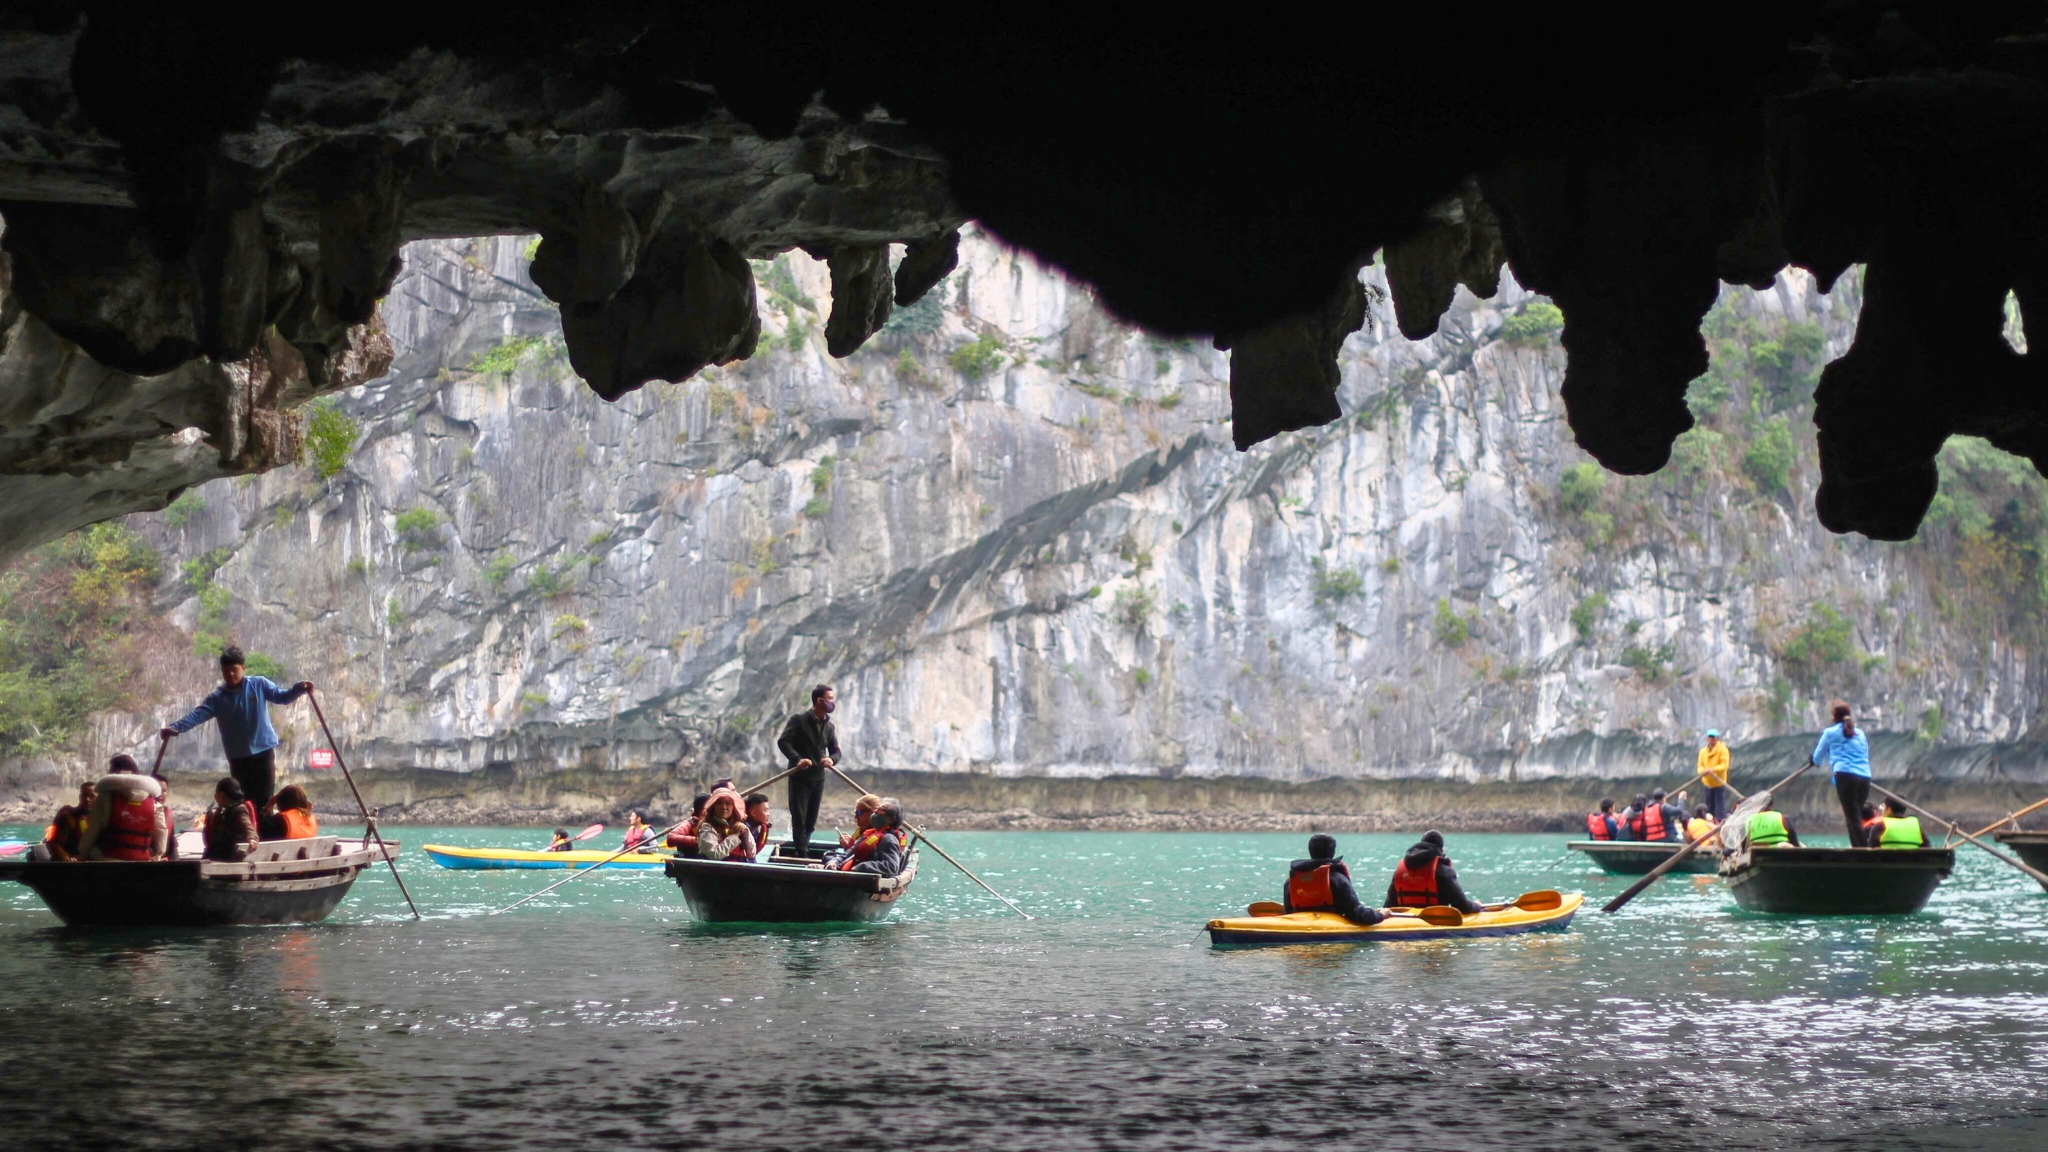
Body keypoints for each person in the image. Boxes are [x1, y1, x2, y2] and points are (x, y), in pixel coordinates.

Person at [160, 645, 312, 813]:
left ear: (243, 668)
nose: (230, 674)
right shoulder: (217, 698)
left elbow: (283, 696)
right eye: (226, 671)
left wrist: (299, 688)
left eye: (234, 670)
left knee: (264, 799)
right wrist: (175, 728)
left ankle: (262, 835)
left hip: (263, 752)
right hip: (238, 758)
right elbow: (197, 715)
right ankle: (247, 835)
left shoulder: (259, 684)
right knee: (243, 801)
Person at [775, 684, 840, 854]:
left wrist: (831, 760)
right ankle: (801, 853)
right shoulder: (798, 720)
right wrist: (797, 759)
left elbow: (836, 751)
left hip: (818, 778)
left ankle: (802, 849)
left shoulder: (829, 726)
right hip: (799, 777)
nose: (832, 702)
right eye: (830, 698)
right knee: (799, 817)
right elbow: (783, 742)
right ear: (819, 700)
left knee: (811, 820)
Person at [78, 755, 168, 861]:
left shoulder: (105, 798)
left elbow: (92, 830)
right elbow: (161, 832)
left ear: (112, 772)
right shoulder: (153, 802)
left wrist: (82, 854)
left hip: (108, 860)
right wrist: (158, 855)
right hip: (142, 861)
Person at [1282, 834, 1385, 925]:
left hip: (1299, 928)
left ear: (1310, 851)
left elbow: (1289, 912)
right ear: (1333, 852)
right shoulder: (1338, 880)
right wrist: (1380, 915)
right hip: (1331, 930)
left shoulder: (1291, 882)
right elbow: (1356, 914)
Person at [1812, 700, 1872, 843]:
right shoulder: (1860, 734)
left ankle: (1864, 852)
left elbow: (1817, 759)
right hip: (1865, 776)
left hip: (1845, 776)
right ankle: (1859, 848)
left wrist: (1812, 759)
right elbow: (1865, 755)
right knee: (1855, 815)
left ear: (1834, 717)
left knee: (1852, 817)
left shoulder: (1830, 733)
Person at [1385, 830, 1484, 915]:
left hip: (1404, 921)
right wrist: (1477, 905)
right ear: (1441, 850)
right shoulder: (1444, 871)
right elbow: (1463, 907)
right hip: (1435, 922)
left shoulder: (1400, 870)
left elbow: (1388, 907)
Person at [829, 798, 910, 876]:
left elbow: (892, 866)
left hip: (859, 880)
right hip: (844, 872)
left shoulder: (888, 839)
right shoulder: (868, 834)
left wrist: (862, 867)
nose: (876, 811)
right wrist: (834, 862)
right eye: (877, 809)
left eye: (881, 810)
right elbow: (848, 853)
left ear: (890, 820)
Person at [202, 777, 260, 862]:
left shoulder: (239, 810)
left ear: (221, 794)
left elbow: (247, 825)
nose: (215, 796)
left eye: (216, 793)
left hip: (224, 860)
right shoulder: (225, 810)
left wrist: (252, 838)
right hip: (221, 858)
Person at [40, 780, 97, 862]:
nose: (87, 799)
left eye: (92, 796)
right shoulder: (67, 816)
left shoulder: (101, 819)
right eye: (84, 796)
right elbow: (53, 843)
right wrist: (66, 859)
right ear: (80, 797)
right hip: (69, 863)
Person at [694, 789, 756, 861]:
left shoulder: (737, 825)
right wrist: (735, 836)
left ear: (733, 807)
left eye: (728, 803)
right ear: (713, 806)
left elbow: (752, 853)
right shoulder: (707, 827)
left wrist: (745, 831)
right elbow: (714, 855)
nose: (724, 807)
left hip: (737, 869)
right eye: (719, 803)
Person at [1698, 729, 1731, 822]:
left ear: (1717, 738)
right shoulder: (1703, 751)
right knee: (1709, 807)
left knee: (1720, 807)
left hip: (1719, 783)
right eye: (1710, 737)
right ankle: (1710, 822)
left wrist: (1713, 769)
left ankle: (1720, 823)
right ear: (1707, 738)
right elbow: (1700, 766)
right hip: (1707, 783)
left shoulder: (1723, 749)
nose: (1711, 739)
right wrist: (1703, 771)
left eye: (1713, 737)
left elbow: (1724, 765)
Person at [743, 793, 773, 860]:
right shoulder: (743, 831)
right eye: (765, 810)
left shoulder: (755, 829)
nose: (768, 814)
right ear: (753, 813)